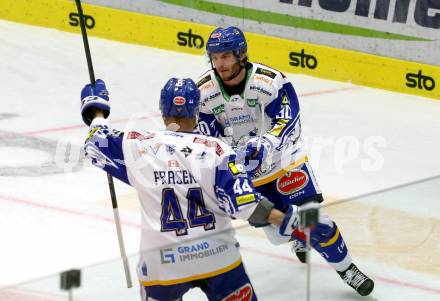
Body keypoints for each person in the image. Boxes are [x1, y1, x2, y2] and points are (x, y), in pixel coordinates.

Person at [80, 77, 305, 301]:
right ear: (196, 112)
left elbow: (95, 145)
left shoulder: (137, 146)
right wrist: (287, 221)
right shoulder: (218, 150)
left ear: (162, 110)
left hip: (163, 265)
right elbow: (246, 205)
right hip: (217, 257)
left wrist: (97, 111)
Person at [196, 26, 374, 296]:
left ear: (240, 55)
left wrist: (266, 143)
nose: (220, 63)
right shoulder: (205, 93)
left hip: (284, 162)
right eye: (215, 57)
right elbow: (209, 139)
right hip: (246, 176)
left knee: (315, 219)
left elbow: (288, 118)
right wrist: (232, 157)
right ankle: (297, 235)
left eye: (226, 57)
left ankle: (347, 268)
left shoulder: (268, 81)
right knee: (279, 233)